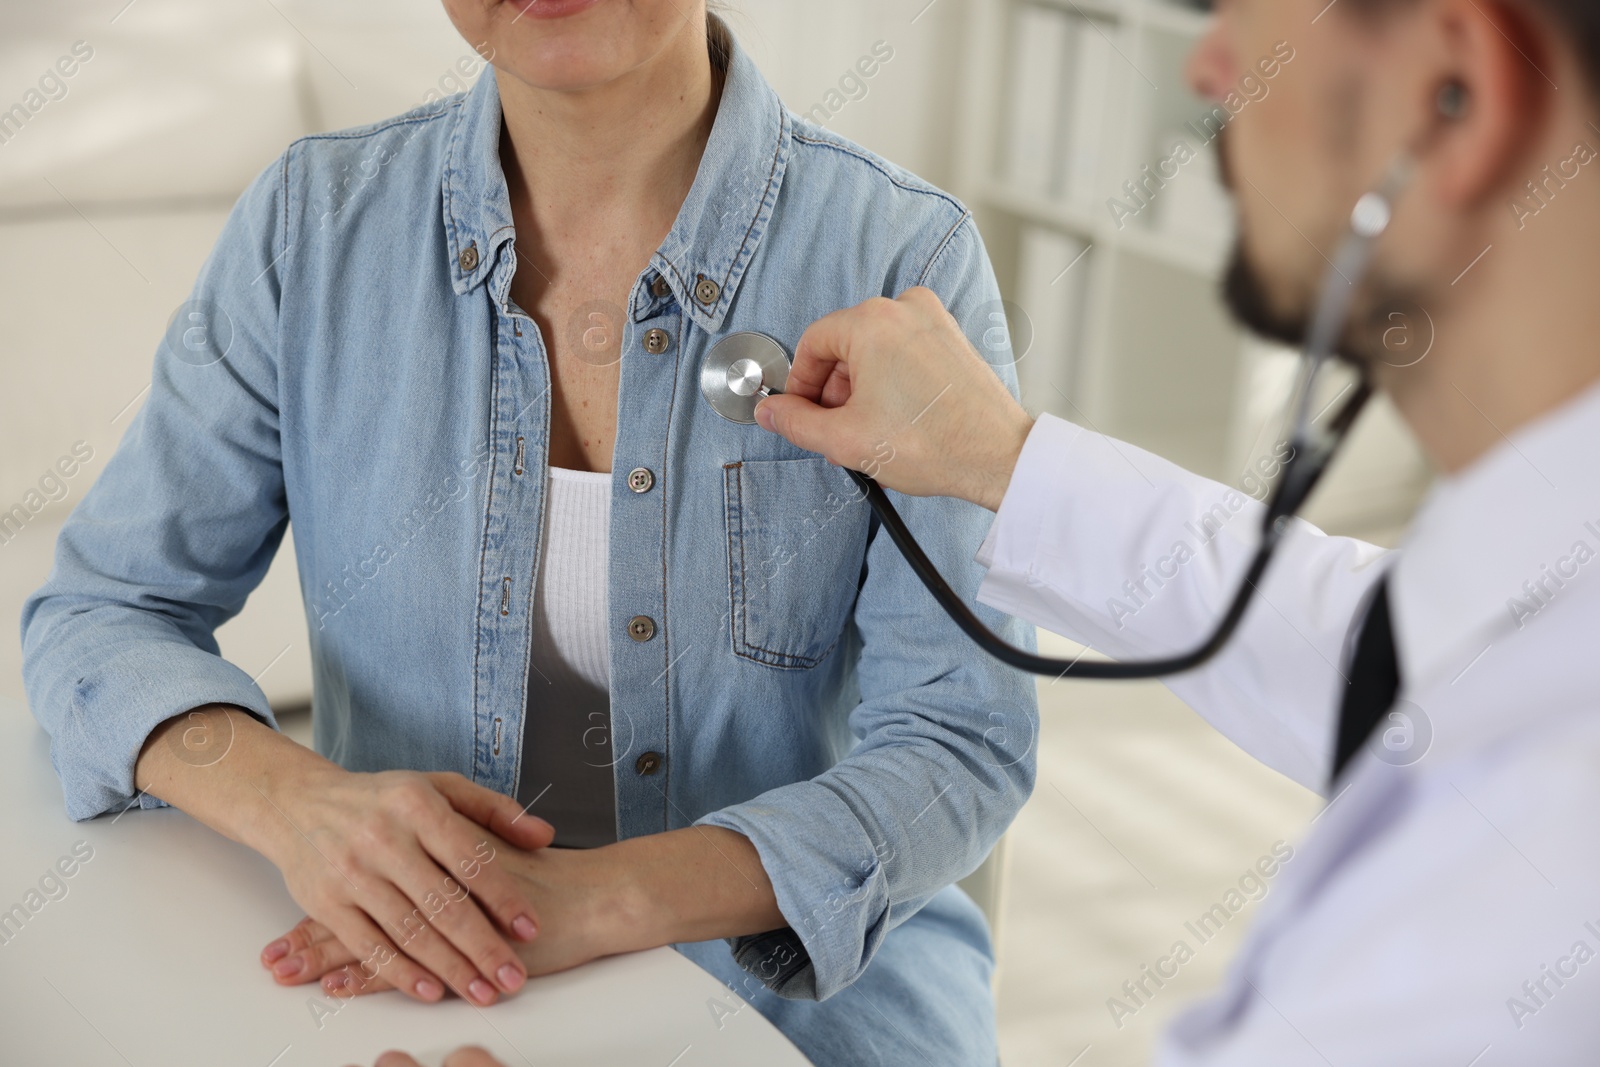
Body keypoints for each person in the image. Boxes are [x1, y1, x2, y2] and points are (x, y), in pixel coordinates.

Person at [19, 2, 1038, 1064]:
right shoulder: (309, 227)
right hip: (421, 981)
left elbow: (959, 737)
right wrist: (299, 801)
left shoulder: (903, 254)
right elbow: (102, 613)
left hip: (806, 998)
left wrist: (589, 901)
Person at [750, 0, 1600, 1061]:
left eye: (1236, 14)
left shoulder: (1527, 866)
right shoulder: (1540, 593)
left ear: (1456, 94)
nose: (1205, 69)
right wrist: (1005, 458)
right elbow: (1368, 650)